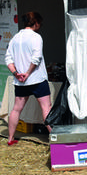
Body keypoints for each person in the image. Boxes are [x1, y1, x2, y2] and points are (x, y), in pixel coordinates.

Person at [4, 11, 52, 146]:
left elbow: (8, 58)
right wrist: (28, 73)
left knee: (16, 109)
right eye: (39, 23)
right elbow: (36, 58)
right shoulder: (36, 37)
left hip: (20, 81)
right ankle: (54, 137)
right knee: (46, 108)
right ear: (36, 23)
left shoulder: (15, 38)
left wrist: (16, 73)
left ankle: (10, 138)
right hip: (37, 79)